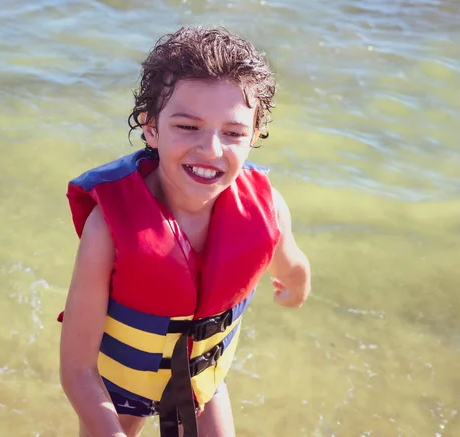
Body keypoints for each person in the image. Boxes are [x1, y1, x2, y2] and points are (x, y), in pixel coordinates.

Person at [58, 26, 311, 437]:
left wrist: (296, 288)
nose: (211, 149)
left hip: (200, 382)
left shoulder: (267, 209)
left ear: (254, 138)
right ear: (151, 128)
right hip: (116, 390)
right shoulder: (107, 229)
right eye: (188, 127)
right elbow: (77, 370)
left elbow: (292, 264)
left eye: (232, 133)